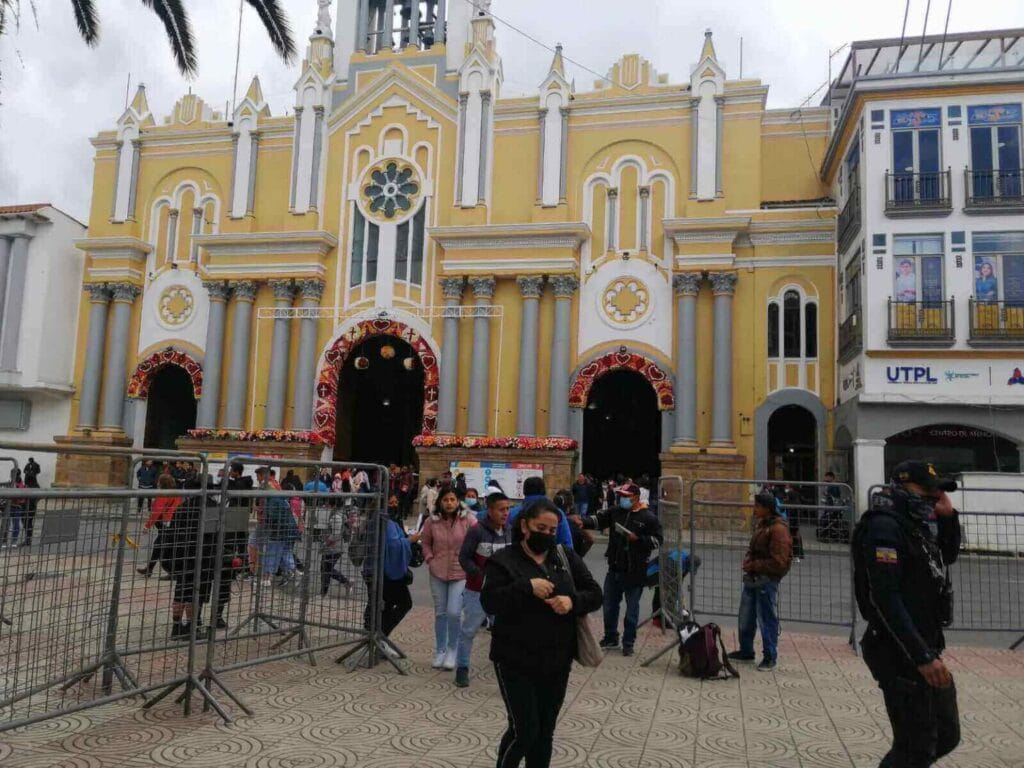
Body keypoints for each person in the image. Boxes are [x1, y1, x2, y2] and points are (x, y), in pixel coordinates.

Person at [853, 461, 961, 766]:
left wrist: (949, 517)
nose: (933, 496)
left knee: (946, 734)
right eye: (927, 490)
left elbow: (948, 555)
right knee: (915, 746)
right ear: (901, 488)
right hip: (897, 649)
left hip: (925, 642)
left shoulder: (916, 524)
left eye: (937, 490)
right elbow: (885, 598)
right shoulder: (884, 527)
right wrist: (921, 657)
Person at [481, 498, 603, 768]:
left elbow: (595, 594)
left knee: (545, 732)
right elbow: (489, 602)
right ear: (525, 526)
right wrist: (526, 587)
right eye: (540, 528)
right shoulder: (504, 560)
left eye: (552, 530)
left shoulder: (565, 557)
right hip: (514, 658)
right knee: (525, 731)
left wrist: (572, 602)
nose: (546, 535)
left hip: (557, 659)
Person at [571, 482, 662, 657]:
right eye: (621, 495)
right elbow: (598, 520)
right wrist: (582, 521)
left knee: (631, 610)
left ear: (635, 497)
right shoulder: (615, 512)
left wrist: (639, 539)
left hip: (635, 571)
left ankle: (628, 643)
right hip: (614, 568)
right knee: (609, 606)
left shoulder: (648, 517)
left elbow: (658, 540)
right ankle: (611, 637)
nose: (622, 499)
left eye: (626, 496)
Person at [727, 492, 793, 671]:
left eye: (757, 506)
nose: (754, 509)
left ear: (766, 508)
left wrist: (755, 565)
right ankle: (746, 650)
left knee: (766, 618)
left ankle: (770, 656)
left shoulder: (778, 529)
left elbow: (779, 561)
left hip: (766, 580)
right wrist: (749, 560)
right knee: (746, 617)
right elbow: (754, 548)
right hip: (753, 578)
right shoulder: (763, 525)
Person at [455, 491, 512, 687]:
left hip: (502, 593)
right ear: (490, 510)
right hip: (476, 591)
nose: (505, 513)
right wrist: (479, 574)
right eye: (501, 510)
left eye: (508, 509)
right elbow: (464, 557)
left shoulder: (509, 531)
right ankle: (462, 668)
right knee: (469, 630)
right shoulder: (477, 531)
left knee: (503, 631)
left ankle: (503, 667)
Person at [420, 486, 476, 670]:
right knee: (440, 613)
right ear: (440, 502)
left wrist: (471, 562)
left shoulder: (468, 519)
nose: (449, 503)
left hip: (460, 572)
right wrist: (429, 558)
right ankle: (440, 650)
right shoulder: (431, 521)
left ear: (458, 501)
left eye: (452, 499)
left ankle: (453, 649)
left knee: (454, 612)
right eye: (446, 500)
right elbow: (426, 542)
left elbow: (478, 539)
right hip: (437, 571)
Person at [508, 477, 574, 550]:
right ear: (544, 491)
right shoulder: (556, 512)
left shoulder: (512, 513)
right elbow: (566, 541)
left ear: (524, 491)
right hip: (550, 558)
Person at [137, 474, 180, 579]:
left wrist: (147, 526)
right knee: (161, 545)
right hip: (172, 522)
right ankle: (150, 569)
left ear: (162, 483)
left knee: (160, 546)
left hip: (165, 523)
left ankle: (172, 572)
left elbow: (157, 511)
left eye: (159, 481)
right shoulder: (176, 493)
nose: (157, 483)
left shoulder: (163, 494)